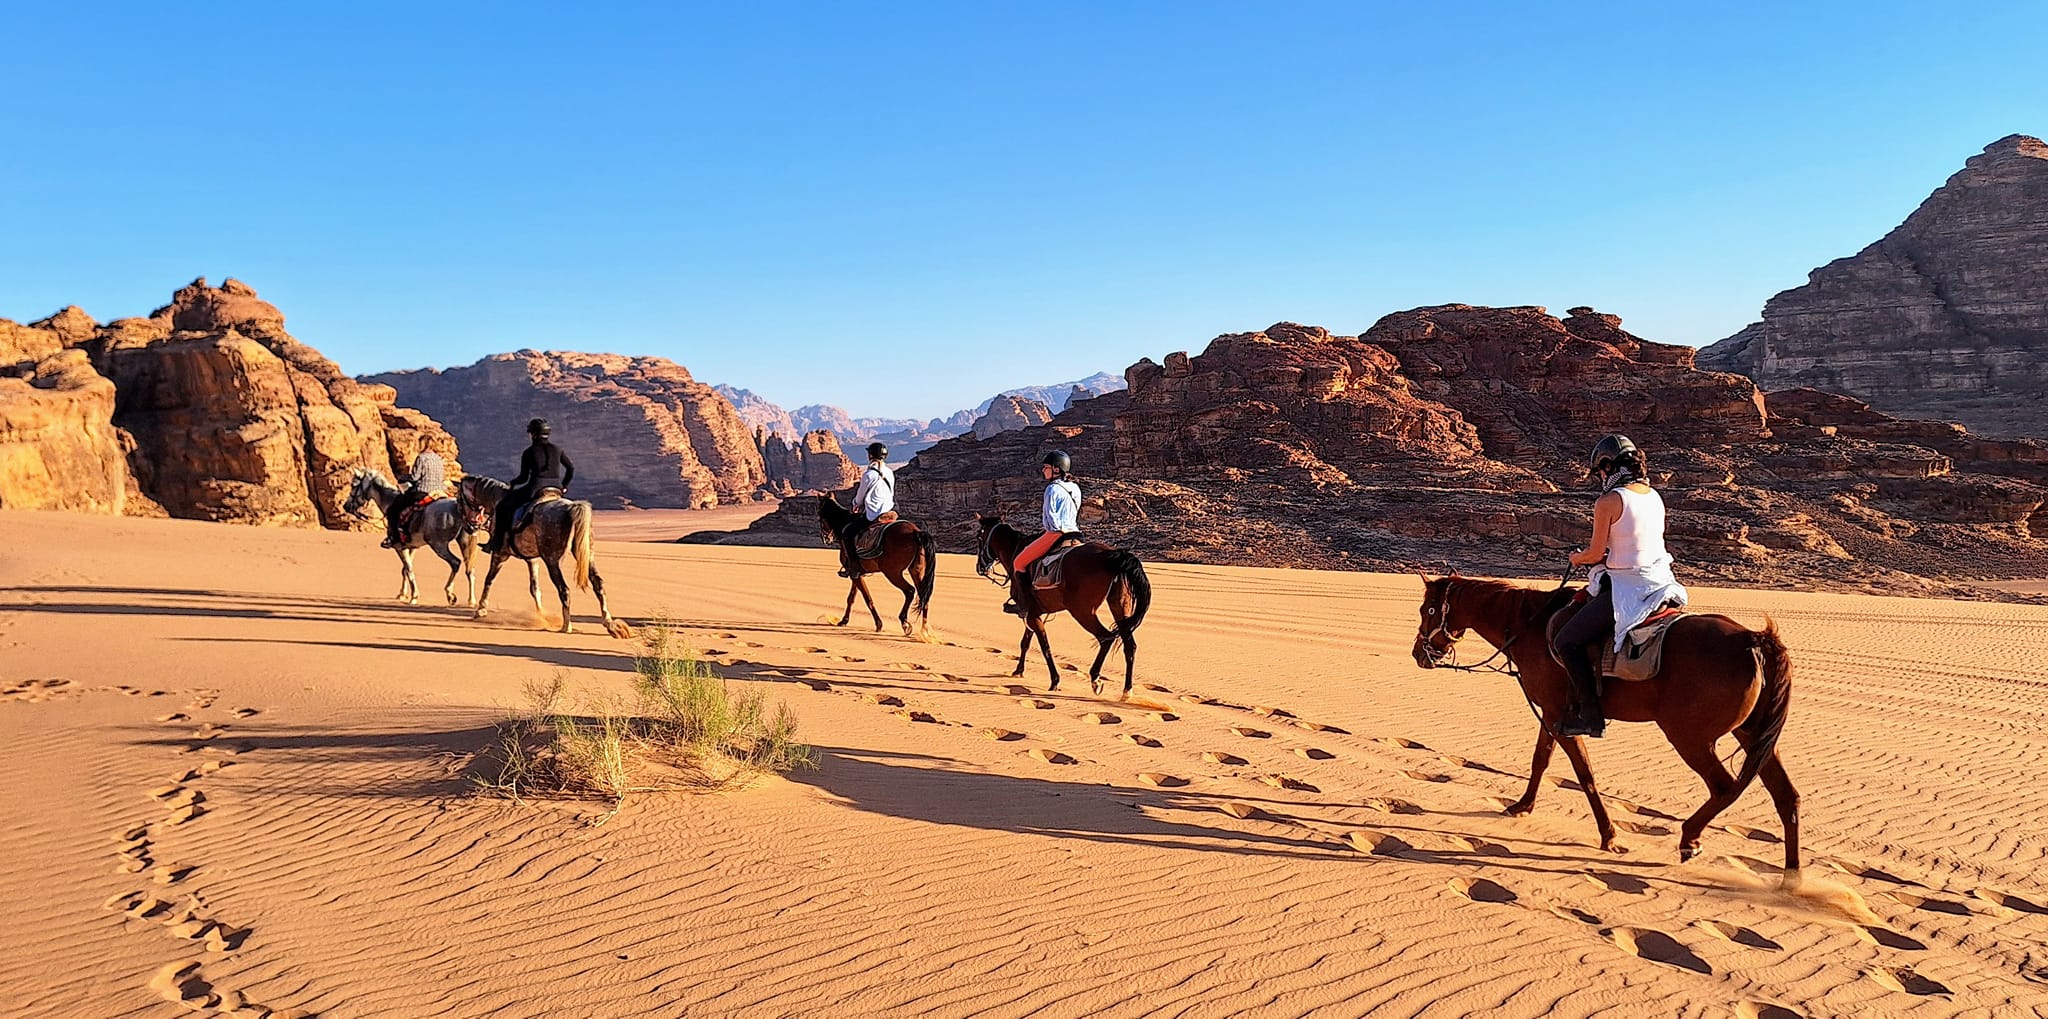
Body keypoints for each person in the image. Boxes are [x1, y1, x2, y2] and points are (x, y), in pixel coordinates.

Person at [1549, 434, 1688, 738]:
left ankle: (1590, 716)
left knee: (1566, 641)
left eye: (1599, 472)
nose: (1599, 478)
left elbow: (1596, 554)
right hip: (1661, 582)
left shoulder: (1608, 501)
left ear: (1608, 466)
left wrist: (1577, 557)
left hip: (1628, 589)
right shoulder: (1653, 496)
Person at [1005, 450, 1083, 615]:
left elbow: (1051, 517)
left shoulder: (1052, 489)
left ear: (1056, 469)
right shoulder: (1075, 488)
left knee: (1018, 563)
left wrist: (1052, 529)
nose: (1043, 470)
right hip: (1075, 532)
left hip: (1056, 533)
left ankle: (1025, 604)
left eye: (1046, 467)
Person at [482, 418, 574, 555]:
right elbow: (570, 468)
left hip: (536, 488)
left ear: (533, 434)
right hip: (556, 488)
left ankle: (497, 543)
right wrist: (564, 485)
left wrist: (513, 483)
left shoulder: (529, 452)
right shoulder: (558, 449)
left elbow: (524, 477)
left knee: (502, 507)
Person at [838, 442, 897, 577]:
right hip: (888, 510)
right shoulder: (889, 472)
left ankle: (853, 567)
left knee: (847, 534)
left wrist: (855, 504)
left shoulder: (869, 474)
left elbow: (860, 496)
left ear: (870, 455)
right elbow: (891, 492)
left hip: (874, 513)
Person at [381, 448, 448, 549]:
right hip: (439, 492)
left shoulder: (421, 458)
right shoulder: (439, 459)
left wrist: (404, 477)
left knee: (394, 509)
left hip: (424, 491)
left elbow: (415, 478)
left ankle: (395, 538)